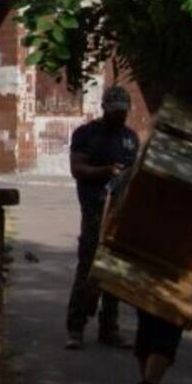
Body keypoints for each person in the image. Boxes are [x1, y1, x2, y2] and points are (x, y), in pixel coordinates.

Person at [65, 84, 141, 350]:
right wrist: (106, 171)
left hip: (120, 214)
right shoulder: (87, 134)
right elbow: (78, 169)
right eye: (114, 111)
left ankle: (109, 328)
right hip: (95, 210)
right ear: (104, 108)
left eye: (123, 112)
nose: (119, 116)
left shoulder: (130, 138)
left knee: (113, 272)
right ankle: (75, 328)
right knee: (87, 268)